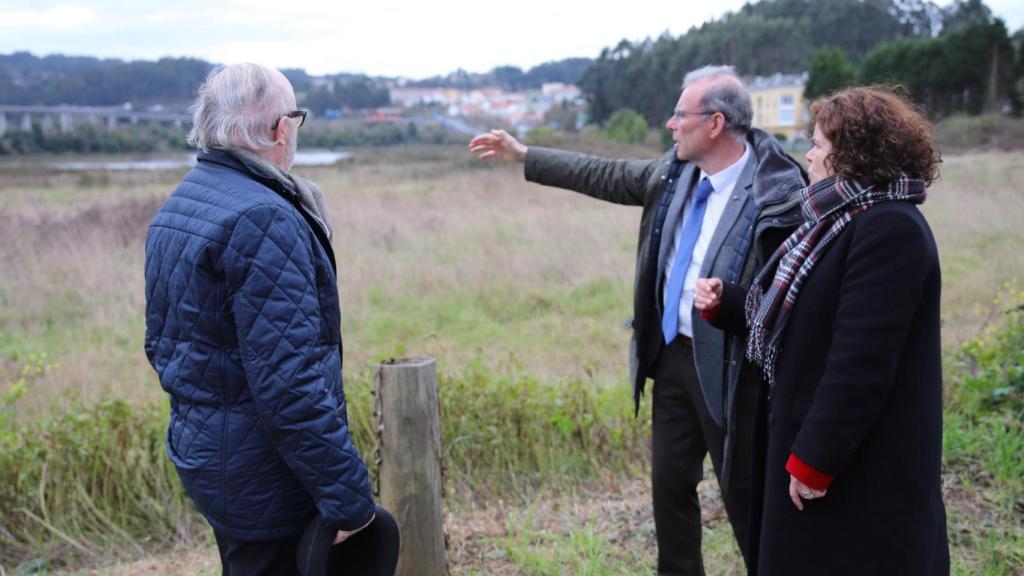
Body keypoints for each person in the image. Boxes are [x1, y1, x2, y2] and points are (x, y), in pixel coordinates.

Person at [469, 65, 807, 574]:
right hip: (671, 359)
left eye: (680, 114)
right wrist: (525, 155)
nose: (671, 124)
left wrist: (732, 302)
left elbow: (788, 301)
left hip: (733, 372)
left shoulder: (777, 194)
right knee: (670, 489)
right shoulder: (673, 174)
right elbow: (601, 173)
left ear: (715, 124)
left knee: (745, 499)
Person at [144, 63, 399, 576]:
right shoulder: (263, 219)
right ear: (281, 128)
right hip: (268, 476)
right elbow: (290, 384)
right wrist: (347, 496)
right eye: (297, 118)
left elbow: (162, 345)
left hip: (214, 460)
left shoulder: (188, 199)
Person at [694, 86, 949, 574]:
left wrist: (815, 458)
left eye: (819, 145)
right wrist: (729, 303)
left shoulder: (889, 229)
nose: (808, 155)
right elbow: (806, 315)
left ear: (852, 157)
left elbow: (860, 363)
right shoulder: (838, 219)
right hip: (822, 449)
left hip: (859, 466)